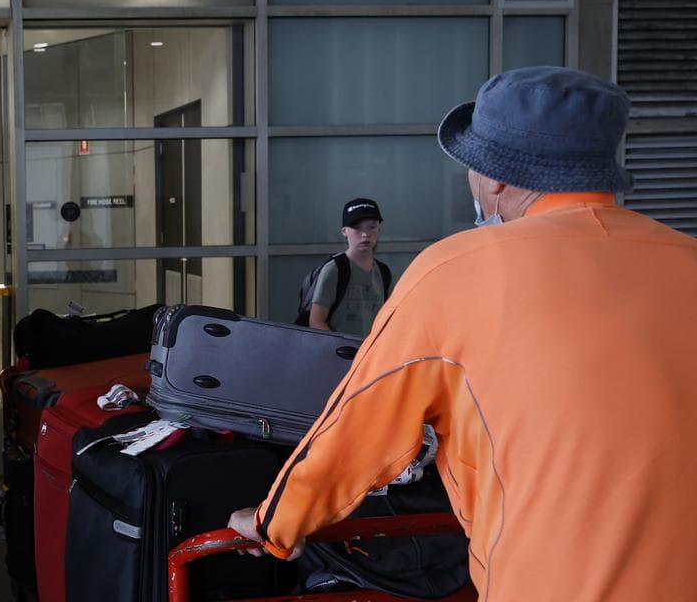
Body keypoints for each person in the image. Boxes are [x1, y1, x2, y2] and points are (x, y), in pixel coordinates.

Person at [227, 66, 697, 600]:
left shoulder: (454, 270)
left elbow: (354, 429)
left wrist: (272, 524)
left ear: (494, 177)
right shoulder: (688, 261)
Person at [307, 198, 391, 336]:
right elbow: (316, 322)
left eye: (372, 227)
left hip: (372, 354)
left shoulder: (385, 274)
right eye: (357, 227)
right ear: (344, 231)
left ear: (379, 228)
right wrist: (341, 348)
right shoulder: (335, 269)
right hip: (339, 353)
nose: (365, 234)